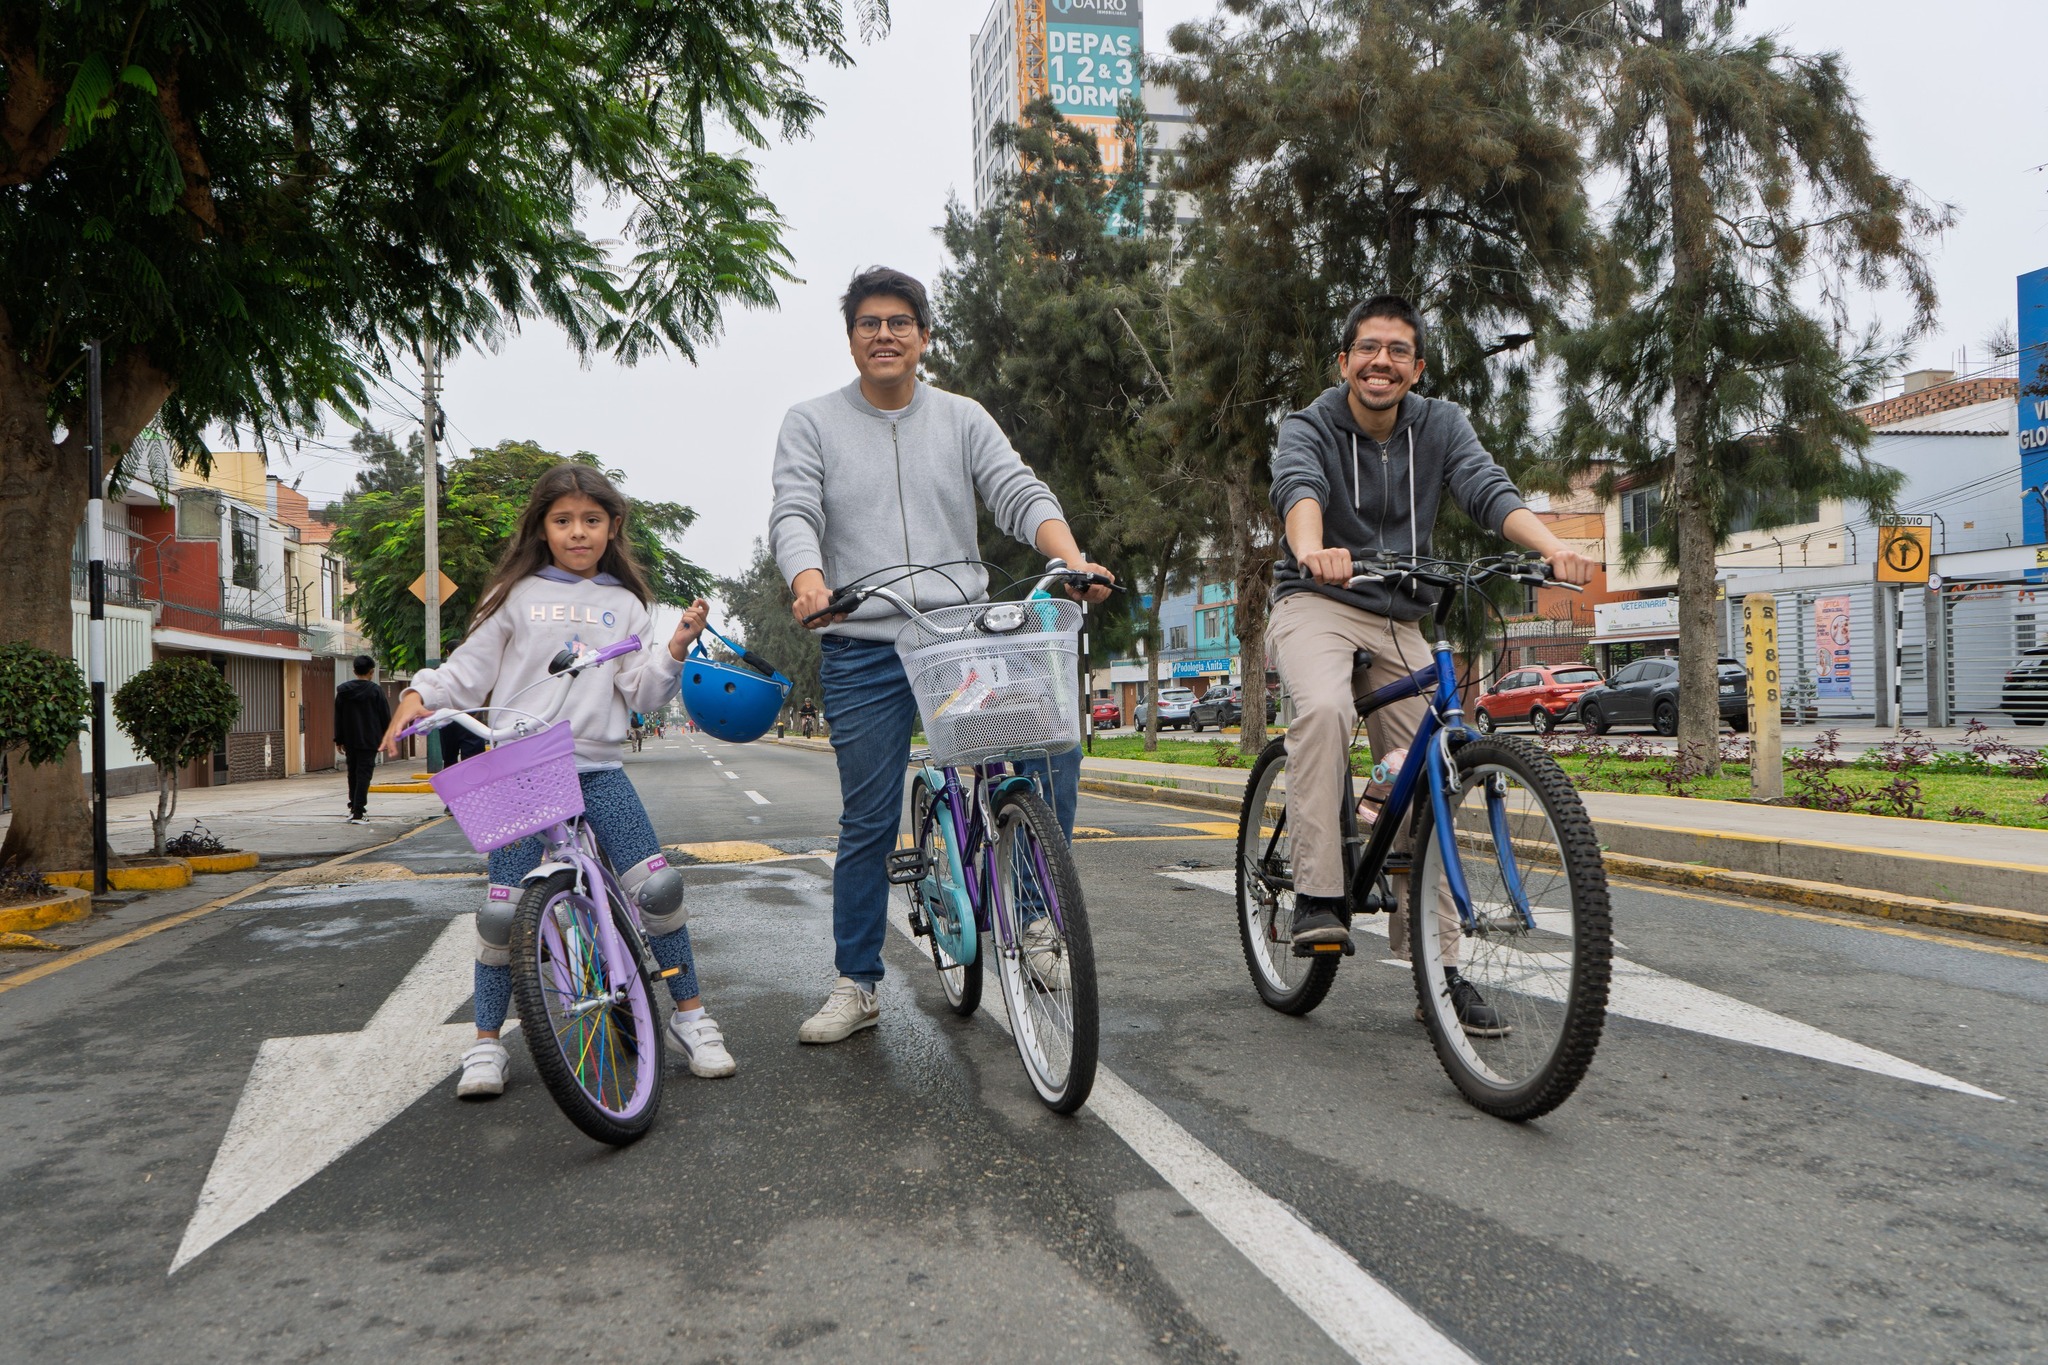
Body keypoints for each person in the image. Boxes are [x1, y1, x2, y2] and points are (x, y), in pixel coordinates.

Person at [772, 266, 1114, 1044]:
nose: (884, 334)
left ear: (924, 337)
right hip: (863, 640)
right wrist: (810, 582)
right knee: (866, 816)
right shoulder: (811, 421)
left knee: (1049, 750)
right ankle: (856, 983)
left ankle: (1035, 922)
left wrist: (1073, 559)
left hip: (959, 638)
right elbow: (794, 510)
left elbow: (1019, 494)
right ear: (852, 337)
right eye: (869, 323)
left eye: (900, 322)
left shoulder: (961, 417)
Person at [1267, 294, 1597, 1031]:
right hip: (1318, 595)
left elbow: (1488, 490)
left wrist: (1550, 547)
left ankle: (1439, 974)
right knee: (1323, 709)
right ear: (1344, 361)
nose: (1380, 361)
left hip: (1401, 611)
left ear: (1417, 368)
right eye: (1367, 348)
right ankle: (1319, 897)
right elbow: (1299, 491)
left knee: (1433, 771)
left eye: (1397, 351)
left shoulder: (1441, 425)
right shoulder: (1310, 424)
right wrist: (1313, 548)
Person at [381, 463, 737, 1096]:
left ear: (612, 527)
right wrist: (418, 693)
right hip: (520, 768)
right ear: (542, 528)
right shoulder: (514, 595)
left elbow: (644, 692)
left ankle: (692, 1017)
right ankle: (486, 1045)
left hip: (598, 765)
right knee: (501, 913)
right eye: (564, 520)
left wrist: (677, 647)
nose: (579, 533)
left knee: (658, 890)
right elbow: (469, 668)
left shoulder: (627, 604)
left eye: (592, 521)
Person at [332, 656, 390, 824]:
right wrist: (387, 737)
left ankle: (353, 808)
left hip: (350, 740)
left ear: (354, 671)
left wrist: (339, 739)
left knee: (353, 773)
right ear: (371, 672)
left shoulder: (343, 692)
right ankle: (359, 811)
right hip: (370, 740)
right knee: (364, 775)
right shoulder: (376, 691)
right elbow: (385, 717)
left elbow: (339, 717)